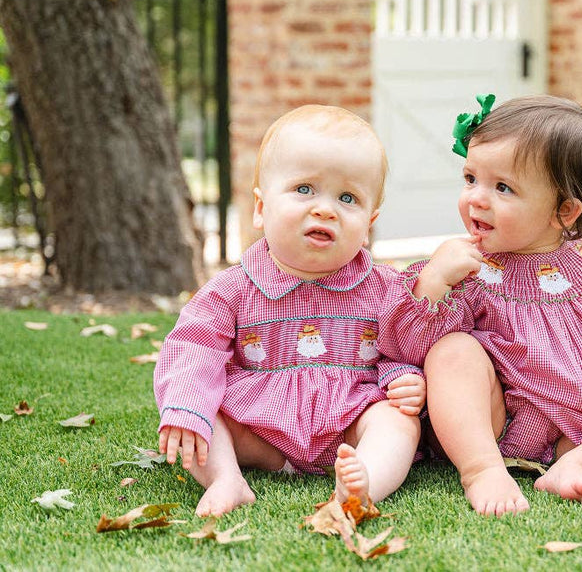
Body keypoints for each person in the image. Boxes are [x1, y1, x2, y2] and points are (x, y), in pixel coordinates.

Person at [377, 94, 582, 517]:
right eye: (470, 179)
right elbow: (405, 344)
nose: (477, 198)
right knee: (452, 352)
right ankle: (481, 469)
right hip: (498, 423)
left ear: (564, 211)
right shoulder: (466, 268)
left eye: (502, 188)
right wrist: (435, 281)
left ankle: (577, 466)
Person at [153, 105, 425, 517]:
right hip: (259, 429)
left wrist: (405, 378)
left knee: (397, 420)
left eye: (347, 198)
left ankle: (362, 483)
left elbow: (405, 344)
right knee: (207, 419)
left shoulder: (385, 288)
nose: (325, 209)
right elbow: (194, 346)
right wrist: (186, 405)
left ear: (368, 224)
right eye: (304, 189)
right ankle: (227, 478)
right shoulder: (233, 288)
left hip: (348, 423)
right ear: (261, 209)